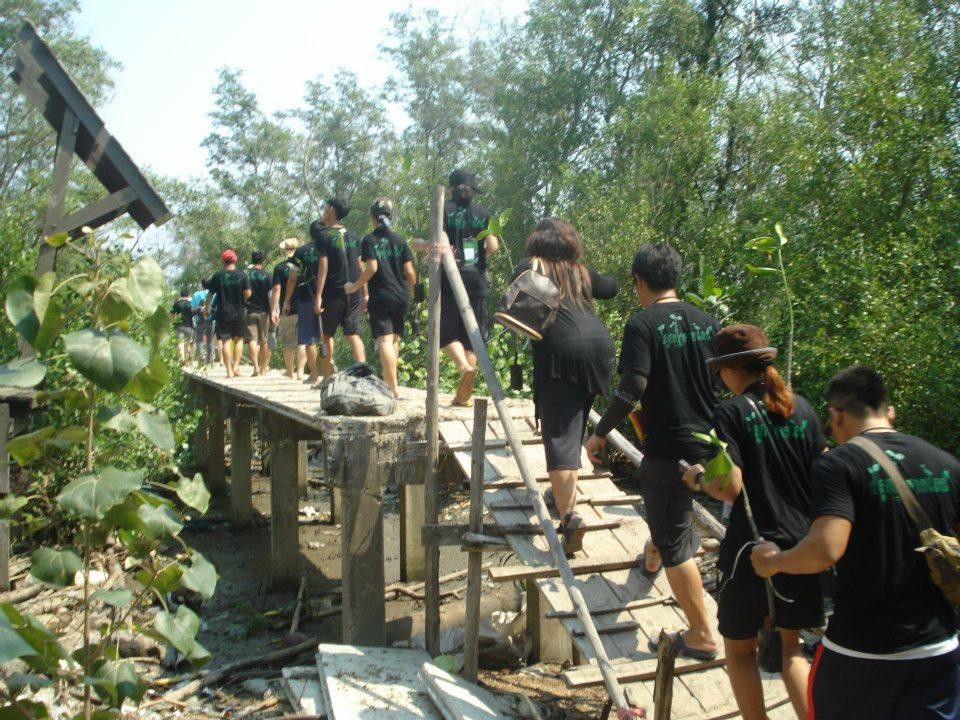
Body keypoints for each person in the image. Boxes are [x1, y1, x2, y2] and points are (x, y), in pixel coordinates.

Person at [751, 366, 960, 720]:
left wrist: (775, 561)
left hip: (864, 649)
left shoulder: (840, 464)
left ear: (837, 414)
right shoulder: (945, 462)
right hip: (938, 648)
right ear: (889, 411)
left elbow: (825, 549)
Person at [681, 325, 826, 720]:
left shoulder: (731, 413)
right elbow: (825, 476)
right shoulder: (804, 409)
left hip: (752, 550)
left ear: (729, 371)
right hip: (800, 550)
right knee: (791, 651)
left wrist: (698, 479)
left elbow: (729, 486)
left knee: (740, 650)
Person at [585, 242, 720, 660]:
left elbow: (634, 386)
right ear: (676, 279)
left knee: (677, 539)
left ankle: (702, 634)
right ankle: (651, 556)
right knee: (669, 518)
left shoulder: (643, 324)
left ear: (639, 281)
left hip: (668, 450)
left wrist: (601, 431)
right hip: (711, 445)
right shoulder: (707, 322)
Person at [515, 218, 618, 555]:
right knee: (572, 430)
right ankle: (559, 496)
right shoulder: (581, 274)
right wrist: (580, 274)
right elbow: (612, 287)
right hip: (598, 347)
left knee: (559, 437)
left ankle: (570, 516)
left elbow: (515, 289)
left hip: (562, 353)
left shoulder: (533, 268)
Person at [414, 170, 499, 406]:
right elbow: (492, 246)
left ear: (451, 189)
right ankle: (464, 394)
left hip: (451, 278)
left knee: (447, 334)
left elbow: (433, 242)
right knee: (472, 335)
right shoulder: (483, 213)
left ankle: (463, 367)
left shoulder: (443, 209)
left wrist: (421, 244)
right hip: (477, 278)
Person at [344, 198, 415, 397]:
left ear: (373, 217)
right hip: (400, 296)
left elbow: (372, 268)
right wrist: (410, 291)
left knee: (384, 341)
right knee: (393, 341)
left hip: (381, 296)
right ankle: (391, 382)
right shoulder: (400, 240)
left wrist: (354, 286)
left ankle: (391, 388)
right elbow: (410, 272)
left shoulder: (369, 240)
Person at [310, 197, 367, 378]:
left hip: (333, 292)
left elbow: (323, 266)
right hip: (354, 292)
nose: (325, 210)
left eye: (326, 207)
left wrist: (318, 296)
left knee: (327, 335)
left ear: (332, 211)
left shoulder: (324, 236)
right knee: (353, 333)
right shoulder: (354, 237)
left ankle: (326, 377)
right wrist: (365, 293)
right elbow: (360, 267)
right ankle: (365, 375)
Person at [203, 249, 251, 379]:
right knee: (239, 339)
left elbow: (210, 293)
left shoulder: (218, 275)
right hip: (239, 312)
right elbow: (248, 293)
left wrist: (206, 307)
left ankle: (229, 371)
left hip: (223, 312)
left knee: (225, 341)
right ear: (235, 259)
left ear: (223, 261)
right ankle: (236, 367)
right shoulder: (242, 275)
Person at [271, 238, 304, 379]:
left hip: (288, 307)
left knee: (288, 341)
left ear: (284, 250)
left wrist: (274, 309)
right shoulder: (304, 265)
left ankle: (290, 371)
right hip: (305, 305)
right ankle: (301, 371)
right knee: (303, 340)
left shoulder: (279, 268)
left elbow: (277, 289)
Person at [244, 250, 272, 376]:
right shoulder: (267, 275)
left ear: (252, 261)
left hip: (249, 311)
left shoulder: (246, 275)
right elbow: (271, 295)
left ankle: (255, 367)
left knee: (252, 340)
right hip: (264, 312)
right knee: (264, 341)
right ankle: (264, 368)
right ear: (263, 262)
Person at [169, 287, 195, 365]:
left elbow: (171, 314)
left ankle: (182, 359)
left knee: (180, 343)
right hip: (189, 326)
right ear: (188, 294)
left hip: (178, 326)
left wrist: (170, 322)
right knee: (188, 344)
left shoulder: (176, 303)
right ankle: (188, 361)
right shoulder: (191, 303)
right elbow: (194, 313)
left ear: (181, 294)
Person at [191, 287, 214, 366]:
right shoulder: (214, 294)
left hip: (199, 320)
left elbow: (192, 309)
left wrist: (199, 309)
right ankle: (209, 361)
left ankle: (201, 359)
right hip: (211, 320)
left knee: (199, 340)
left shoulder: (196, 294)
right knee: (210, 341)